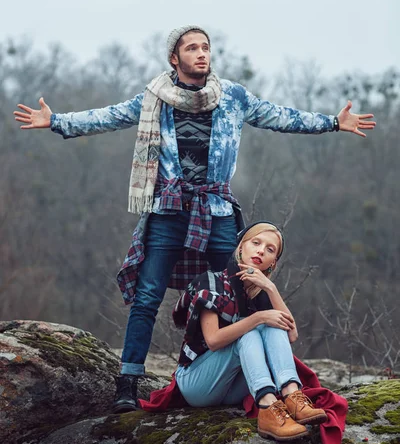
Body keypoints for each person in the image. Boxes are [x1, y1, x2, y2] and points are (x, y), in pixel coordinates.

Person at [13, 25, 376, 414]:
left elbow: (279, 116)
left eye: (205, 47)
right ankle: (127, 383)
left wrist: (333, 122)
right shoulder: (155, 98)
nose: (201, 54)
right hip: (169, 208)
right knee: (148, 295)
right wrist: (56, 121)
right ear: (175, 58)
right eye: (192, 48)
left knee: (238, 290)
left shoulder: (233, 97)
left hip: (216, 209)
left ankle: (260, 383)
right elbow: (109, 116)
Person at [171, 221, 331, 441]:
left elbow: (291, 334)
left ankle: (292, 396)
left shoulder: (261, 292)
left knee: (273, 325)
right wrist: (258, 317)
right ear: (241, 247)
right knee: (252, 329)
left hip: (233, 386)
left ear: (273, 262)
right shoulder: (210, 282)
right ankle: (267, 406)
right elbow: (214, 340)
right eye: (256, 242)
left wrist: (270, 287)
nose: (261, 250)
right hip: (198, 382)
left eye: (270, 249)